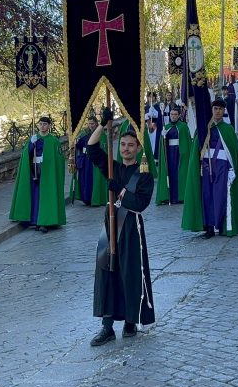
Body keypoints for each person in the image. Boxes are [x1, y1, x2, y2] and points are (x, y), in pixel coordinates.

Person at [87, 109, 156, 346]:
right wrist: (103, 124)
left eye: (130, 145)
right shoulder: (112, 167)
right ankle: (107, 327)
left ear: (138, 149)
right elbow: (91, 149)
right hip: (111, 226)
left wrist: (118, 190)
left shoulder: (144, 175)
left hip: (131, 229)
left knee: (130, 273)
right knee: (107, 272)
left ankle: (130, 320)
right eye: (123, 145)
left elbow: (140, 204)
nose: (126, 149)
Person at [182, 99, 238, 238]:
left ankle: (222, 225)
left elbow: (233, 152)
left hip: (222, 168)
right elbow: (197, 149)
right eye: (215, 109)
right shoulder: (204, 129)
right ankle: (209, 227)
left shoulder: (228, 129)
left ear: (224, 111)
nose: (218, 111)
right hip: (206, 167)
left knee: (221, 196)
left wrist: (232, 169)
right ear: (212, 110)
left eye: (220, 109)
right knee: (207, 196)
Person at [9, 116, 66, 232]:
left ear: (49, 126)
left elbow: (59, 159)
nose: (42, 126)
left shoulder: (53, 141)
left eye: (45, 124)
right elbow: (26, 155)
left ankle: (46, 221)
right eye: (40, 124)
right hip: (34, 169)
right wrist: (31, 145)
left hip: (48, 172)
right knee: (35, 195)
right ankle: (35, 220)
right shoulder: (33, 139)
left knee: (47, 195)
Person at [156, 106, 191, 205]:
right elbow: (162, 144)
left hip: (180, 153)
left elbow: (187, 141)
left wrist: (185, 153)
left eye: (175, 114)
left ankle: (180, 196)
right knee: (170, 173)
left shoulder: (183, 126)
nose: (173, 116)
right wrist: (163, 136)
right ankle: (168, 197)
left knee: (179, 174)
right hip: (169, 153)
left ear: (179, 115)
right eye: (171, 114)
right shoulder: (166, 127)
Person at [71, 116, 109, 207]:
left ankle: (95, 199)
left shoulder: (101, 134)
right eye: (89, 123)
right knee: (85, 179)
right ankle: (86, 198)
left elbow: (103, 148)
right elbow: (78, 145)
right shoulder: (84, 133)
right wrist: (75, 142)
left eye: (92, 123)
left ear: (96, 123)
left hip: (94, 159)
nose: (90, 125)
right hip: (85, 160)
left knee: (94, 179)